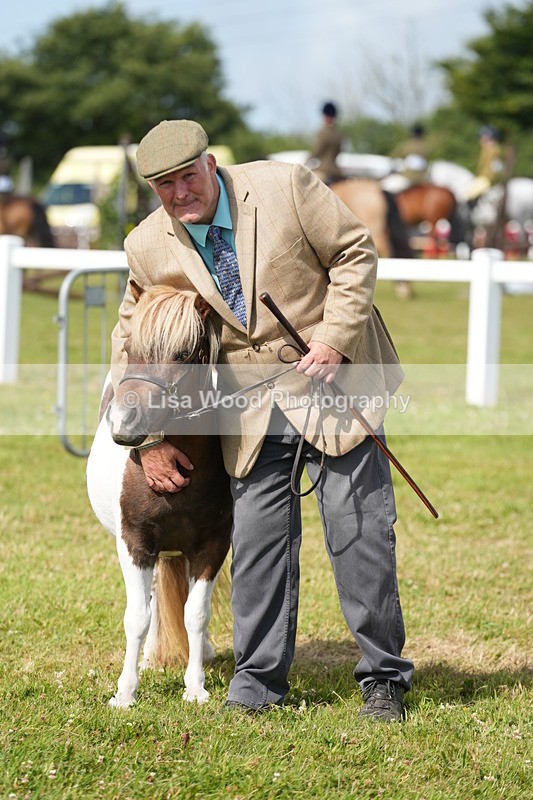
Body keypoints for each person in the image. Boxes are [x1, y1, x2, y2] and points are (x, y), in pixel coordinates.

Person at [111, 119, 414, 722]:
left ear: (211, 163)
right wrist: (145, 441)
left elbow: (355, 252)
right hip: (247, 410)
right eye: (163, 186)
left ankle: (384, 678)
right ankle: (256, 684)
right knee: (257, 547)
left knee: (359, 538)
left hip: (336, 383)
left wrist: (333, 337)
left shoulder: (286, 187)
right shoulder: (146, 245)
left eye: (187, 177)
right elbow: (131, 344)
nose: (179, 194)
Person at [464, 125, 504, 204]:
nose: (481, 140)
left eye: (484, 138)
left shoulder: (494, 152)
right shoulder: (486, 151)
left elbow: (496, 169)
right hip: (482, 178)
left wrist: (491, 180)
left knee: (468, 195)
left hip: (486, 181)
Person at [307, 101, 344, 185]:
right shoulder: (339, 134)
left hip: (324, 171)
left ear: (325, 116)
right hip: (337, 171)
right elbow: (339, 151)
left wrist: (305, 162)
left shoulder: (323, 133)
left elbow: (316, 152)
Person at [390, 123, 432, 189]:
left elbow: (395, 155)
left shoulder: (406, 145)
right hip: (423, 176)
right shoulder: (426, 146)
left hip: (407, 175)